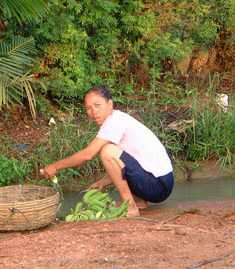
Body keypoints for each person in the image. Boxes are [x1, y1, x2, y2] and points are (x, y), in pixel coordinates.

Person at [41, 86, 174, 216]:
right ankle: (138, 201)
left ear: (110, 104)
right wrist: (102, 182)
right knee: (110, 151)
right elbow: (126, 164)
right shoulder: (118, 119)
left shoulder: (114, 120)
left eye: (97, 105)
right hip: (161, 183)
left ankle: (130, 207)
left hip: (158, 185)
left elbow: (88, 154)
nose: (93, 112)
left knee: (107, 151)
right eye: (89, 108)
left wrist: (55, 166)